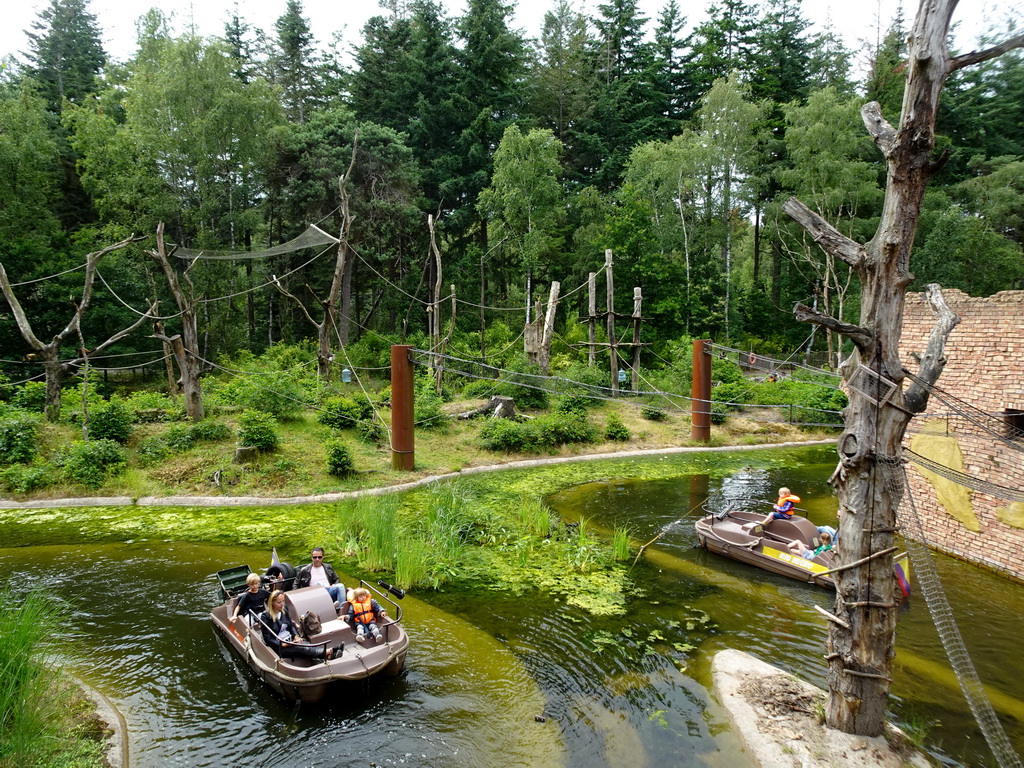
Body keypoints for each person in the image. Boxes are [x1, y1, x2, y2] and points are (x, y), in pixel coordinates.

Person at [258, 590, 335, 661]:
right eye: (279, 602)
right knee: (302, 649)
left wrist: (295, 635)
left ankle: (328, 656)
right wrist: (283, 644)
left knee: (307, 645)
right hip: (279, 646)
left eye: (283, 601)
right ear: (272, 603)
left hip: (290, 640)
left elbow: (291, 625)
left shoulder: (284, 609)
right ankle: (329, 651)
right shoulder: (266, 616)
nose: (282, 604)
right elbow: (268, 639)